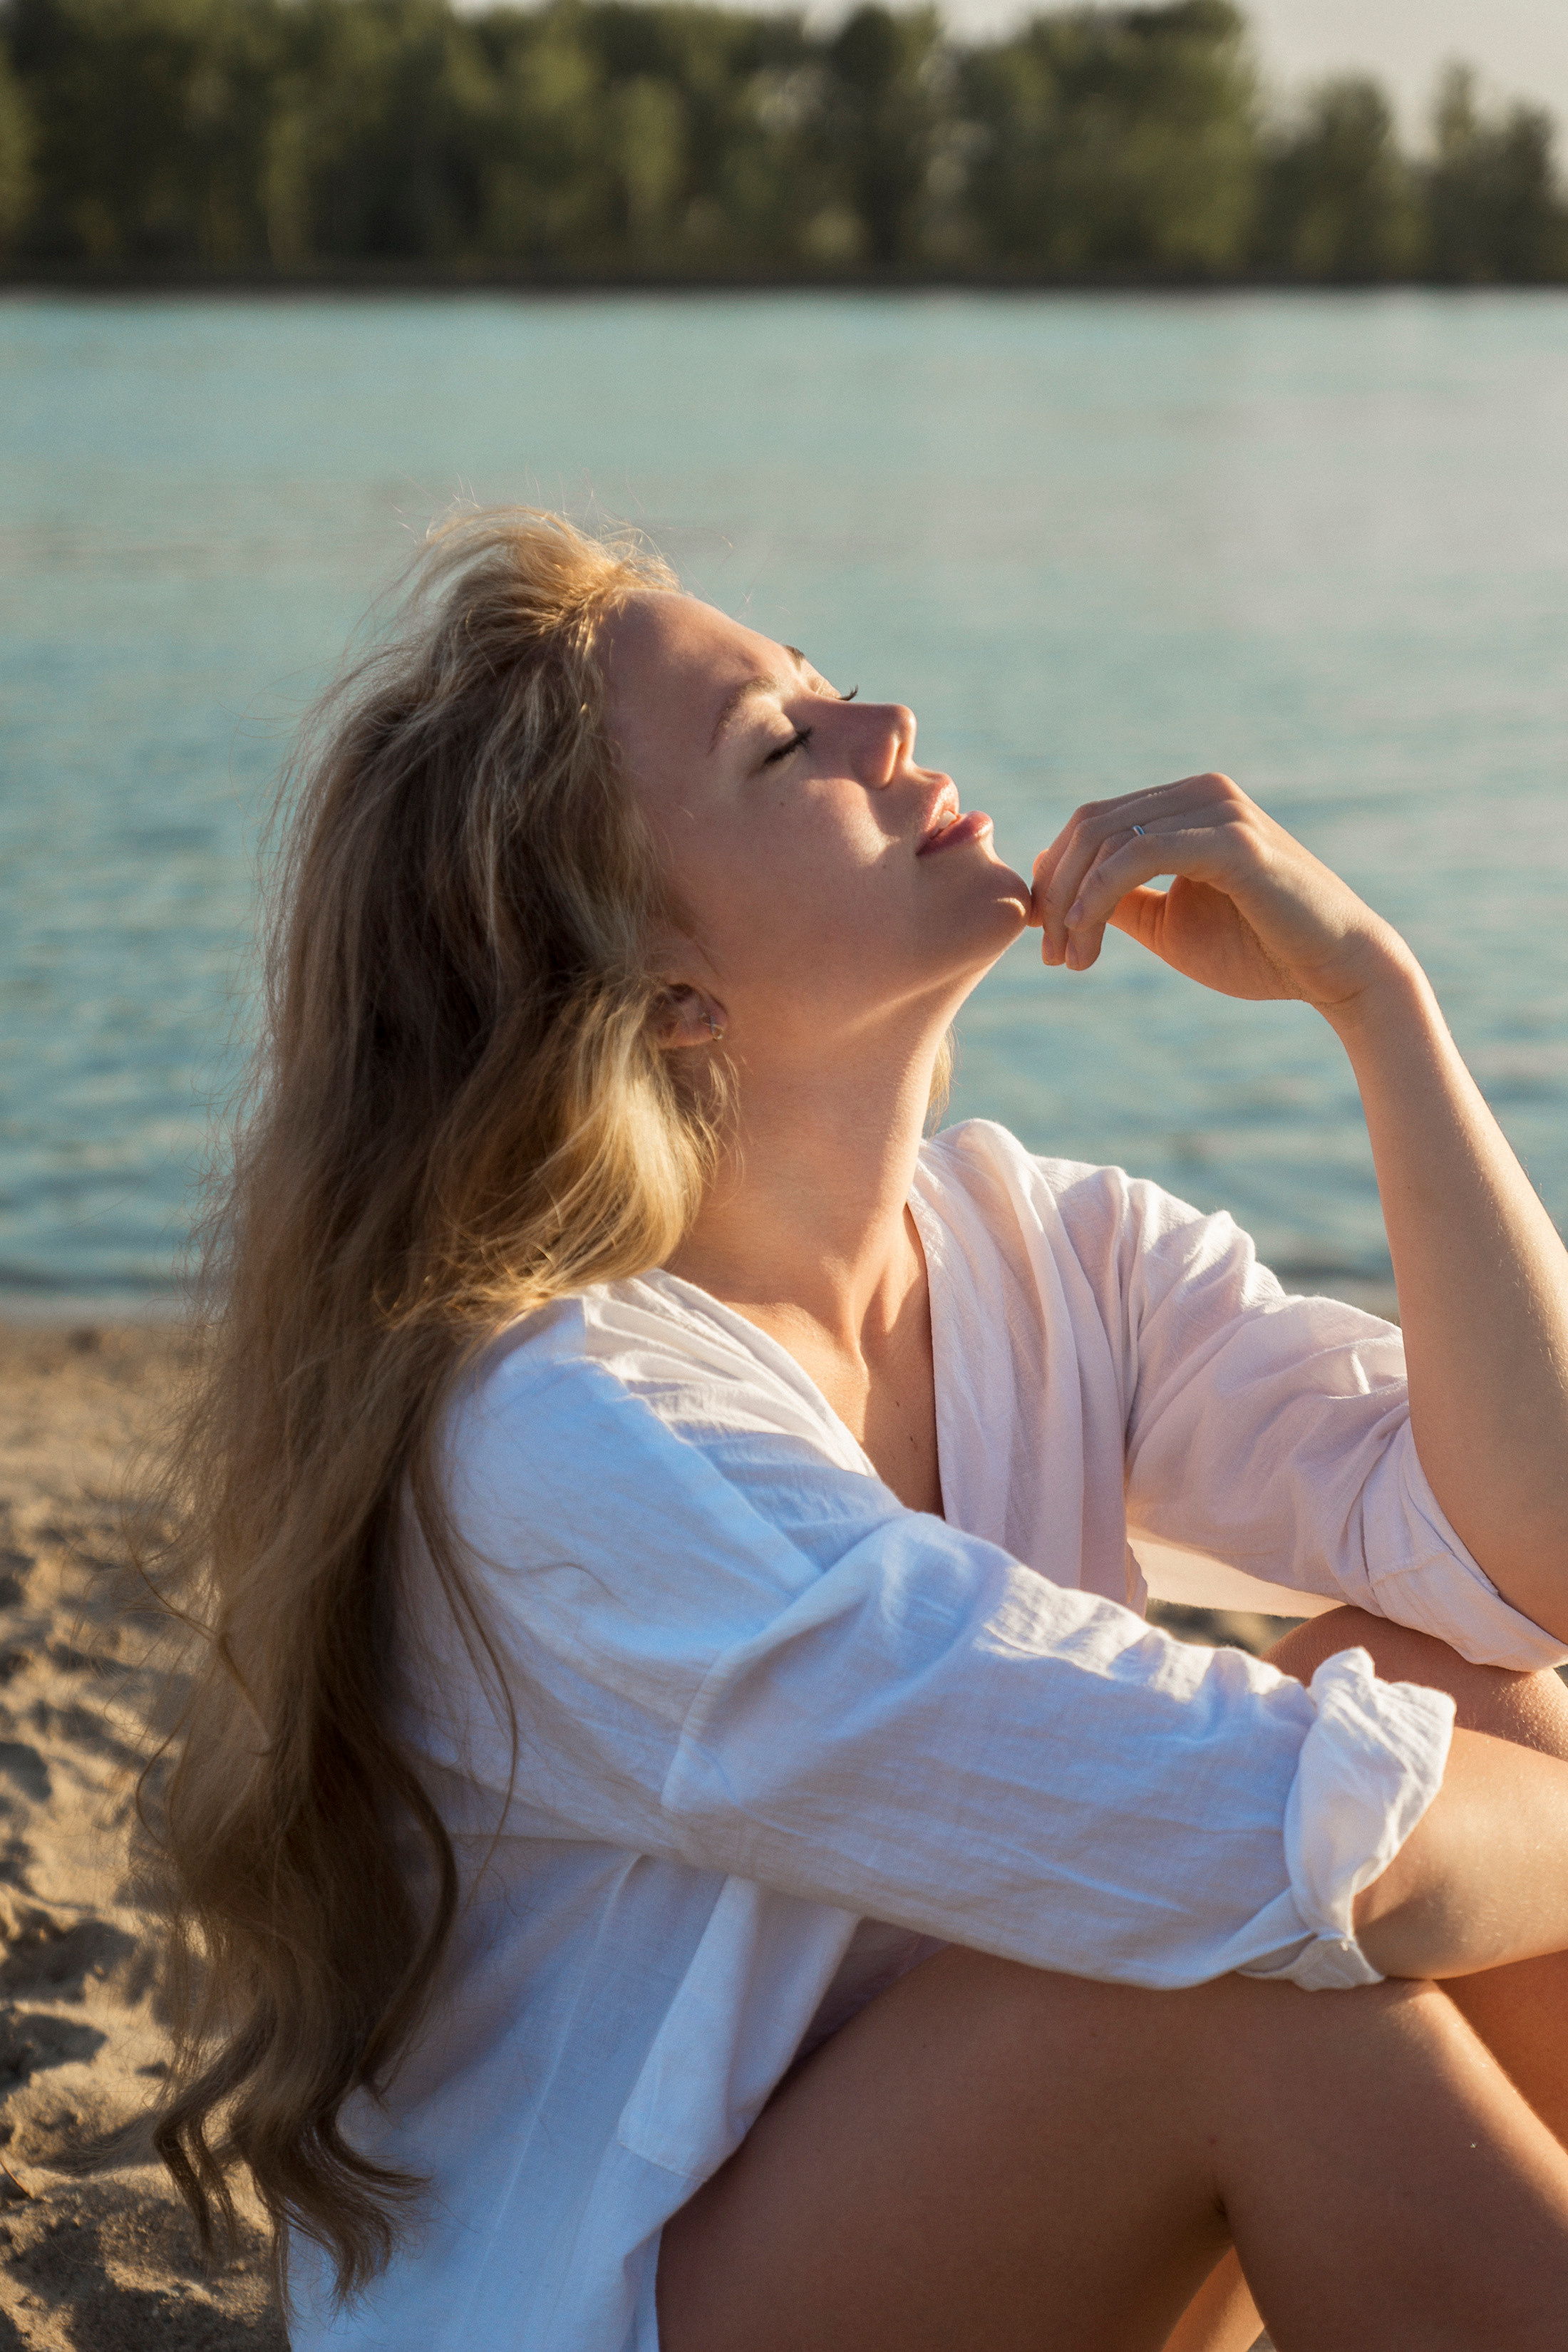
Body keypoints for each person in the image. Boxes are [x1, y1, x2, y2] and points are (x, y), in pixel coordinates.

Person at [148, 507, 1568, 2352]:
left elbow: (1533, 1556)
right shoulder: (572, 1433)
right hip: (604, 2303)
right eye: (781, 743)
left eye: (823, 686)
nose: (884, 722)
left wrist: (1380, 1000)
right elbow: (1282, 1852)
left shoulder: (1042, 1253)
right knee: (1233, 1982)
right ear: (661, 991)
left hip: (941, 2221)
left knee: (1465, 1692)